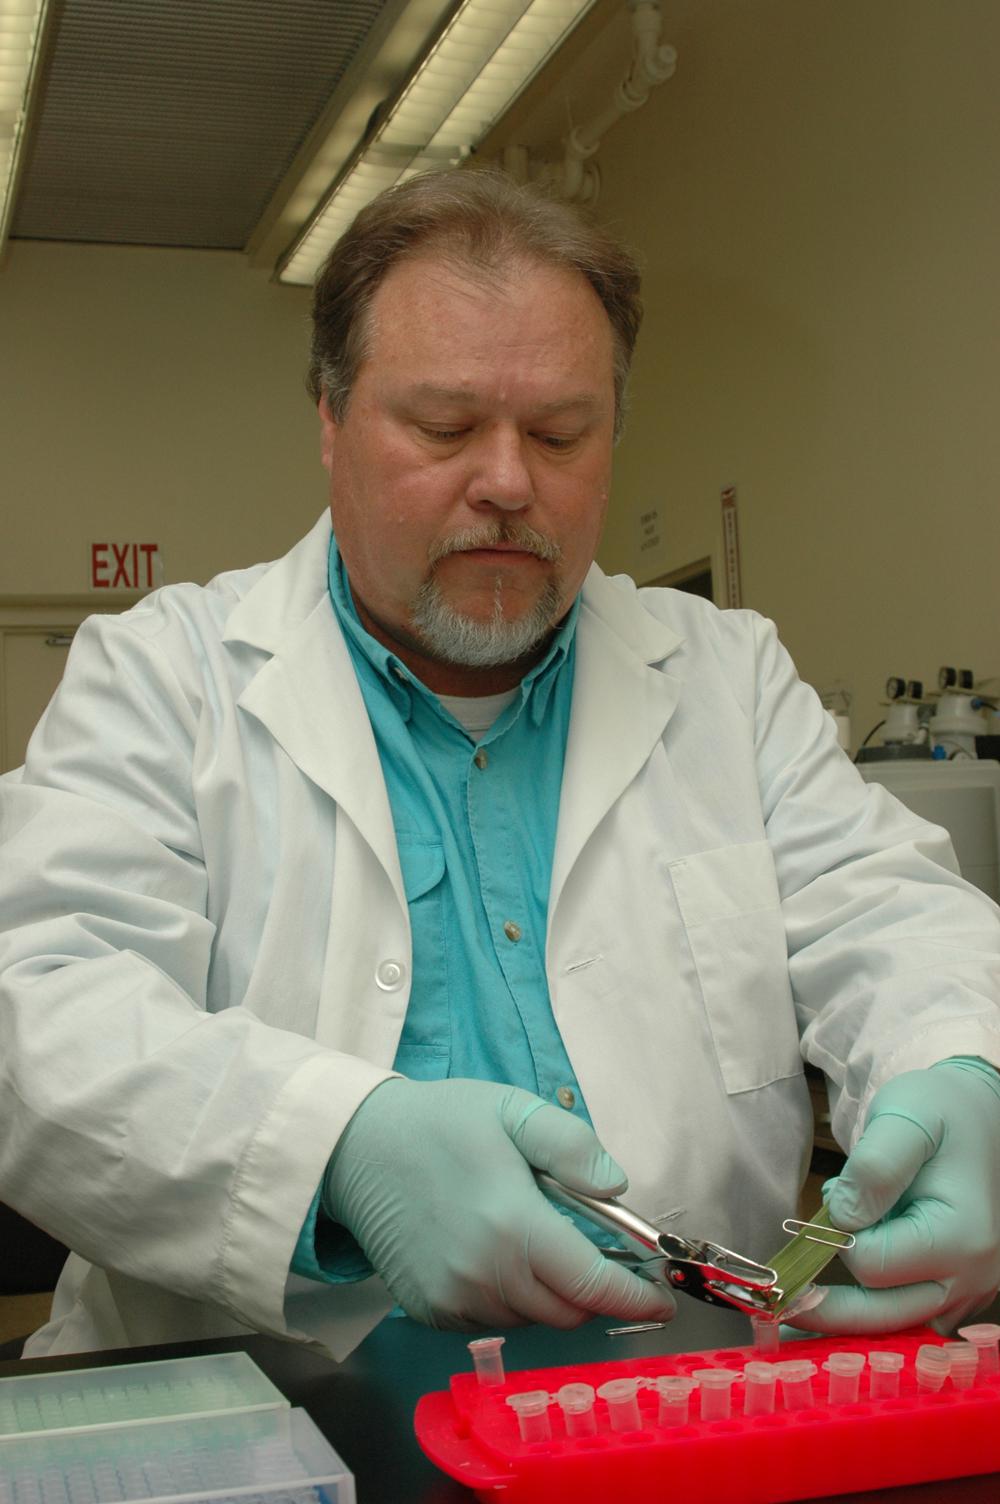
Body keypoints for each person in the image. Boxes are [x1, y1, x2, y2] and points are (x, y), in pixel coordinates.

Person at [1, 170, 999, 1361]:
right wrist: (332, 1147)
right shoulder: (164, 677)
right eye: (443, 426)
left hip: (674, 1405)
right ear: (329, 419)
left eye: (561, 433)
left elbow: (891, 917)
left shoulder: (726, 676)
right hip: (268, 1417)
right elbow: (42, 1010)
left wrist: (968, 1069)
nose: (510, 481)